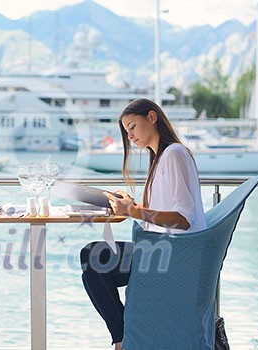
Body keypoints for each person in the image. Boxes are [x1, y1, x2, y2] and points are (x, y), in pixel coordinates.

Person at [80, 98, 207, 350]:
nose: (130, 136)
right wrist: (132, 205)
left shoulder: (174, 154)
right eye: (126, 131)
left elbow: (183, 219)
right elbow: (168, 210)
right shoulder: (161, 157)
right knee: (92, 260)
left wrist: (135, 212)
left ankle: (123, 338)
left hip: (173, 256)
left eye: (132, 127)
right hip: (165, 249)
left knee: (93, 257)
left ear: (152, 117)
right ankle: (124, 337)